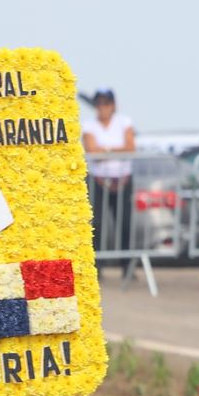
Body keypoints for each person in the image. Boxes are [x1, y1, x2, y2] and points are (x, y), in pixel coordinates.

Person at [81, 88, 135, 276]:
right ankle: (97, 267)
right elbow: (91, 150)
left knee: (125, 223)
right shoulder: (89, 125)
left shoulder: (124, 122)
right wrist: (115, 150)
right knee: (97, 224)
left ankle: (127, 267)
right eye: (99, 103)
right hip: (98, 181)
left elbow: (130, 148)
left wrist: (105, 150)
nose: (102, 107)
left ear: (113, 105)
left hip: (123, 180)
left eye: (106, 103)